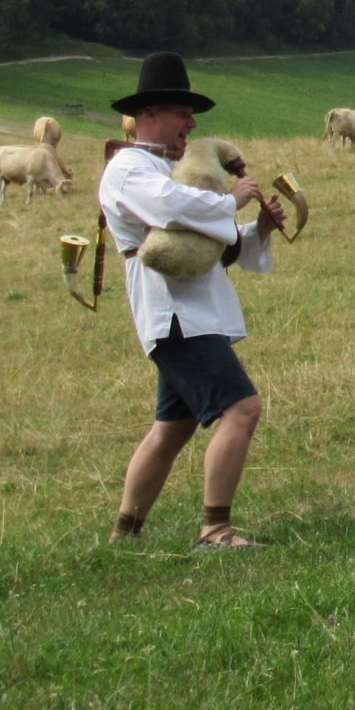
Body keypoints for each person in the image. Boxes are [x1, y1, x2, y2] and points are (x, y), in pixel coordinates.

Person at [101, 52, 287, 546]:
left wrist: (257, 231)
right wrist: (232, 199)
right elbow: (172, 208)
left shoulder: (171, 167)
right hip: (175, 316)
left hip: (189, 313)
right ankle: (215, 529)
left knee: (172, 429)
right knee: (242, 408)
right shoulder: (128, 169)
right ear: (150, 115)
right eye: (181, 111)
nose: (191, 123)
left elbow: (206, 248)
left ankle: (125, 534)